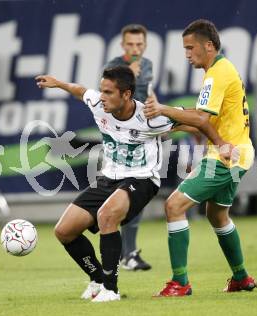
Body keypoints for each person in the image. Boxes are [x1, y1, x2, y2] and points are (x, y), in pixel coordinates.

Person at [35, 66, 175, 302]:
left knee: (107, 215)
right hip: (109, 178)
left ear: (126, 95)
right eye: (101, 90)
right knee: (64, 231)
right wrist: (58, 83)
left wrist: (219, 141)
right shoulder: (99, 104)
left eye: (108, 92)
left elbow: (192, 121)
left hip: (141, 179)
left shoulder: (150, 118)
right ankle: (97, 278)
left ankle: (111, 290)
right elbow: (81, 91)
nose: (102, 96)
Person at [143, 19, 257, 296]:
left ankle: (179, 282)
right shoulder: (220, 70)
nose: (187, 54)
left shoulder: (217, 73)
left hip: (225, 156)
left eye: (190, 47)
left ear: (209, 45)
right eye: (184, 48)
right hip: (237, 152)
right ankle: (241, 278)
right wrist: (174, 124)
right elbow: (201, 119)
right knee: (217, 215)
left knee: (173, 206)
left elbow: (201, 118)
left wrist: (163, 110)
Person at [104, 24, 153, 271]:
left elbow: (145, 96)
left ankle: (128, 253)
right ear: (123, 45)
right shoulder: (114, 67)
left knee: (135, 197)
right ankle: (124, 253)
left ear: (144, 45)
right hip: (122, 137)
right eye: (130, 44)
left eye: (139, 44)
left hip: (142, 135)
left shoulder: (149, 65)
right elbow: (106, 100)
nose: (135, 49)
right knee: (122, 196)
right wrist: (129, 75)